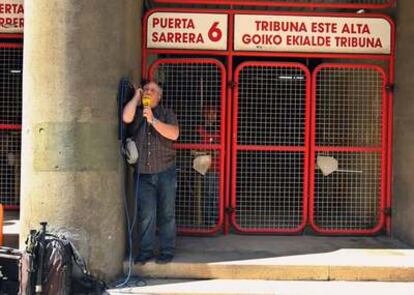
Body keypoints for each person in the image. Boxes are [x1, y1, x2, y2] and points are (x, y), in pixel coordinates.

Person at [123, 80, 179, 264]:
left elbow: (174, 134)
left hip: (165, 171)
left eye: (152, 90)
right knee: (146, 214)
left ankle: (166, 251)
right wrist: (136, 97)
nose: (148, 91)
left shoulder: (166, 113)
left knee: (166, 213)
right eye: (145, 89)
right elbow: (126, 118)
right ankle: (145, 252)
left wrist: (153, 120)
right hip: (143, 173)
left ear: (159, 96)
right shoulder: (137, 113)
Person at [195, 104, 220, 227]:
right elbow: (194, 149)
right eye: (209, 113)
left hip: (219, 166)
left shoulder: (219, 129)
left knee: (216, 194)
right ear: (204, 115)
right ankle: (208, 219)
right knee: (209, 193)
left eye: (214, 113)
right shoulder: (199, 129)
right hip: (205, 166)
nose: (212, 116)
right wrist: (208, 151)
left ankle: (216, 218)